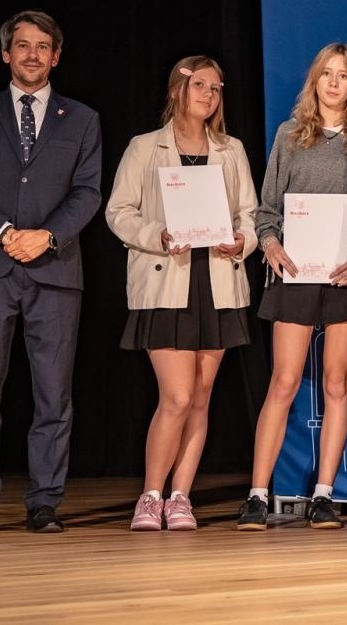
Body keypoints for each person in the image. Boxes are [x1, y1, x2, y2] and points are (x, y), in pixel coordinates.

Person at [0, 10, 102, 535]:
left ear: (56, 56)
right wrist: (4, 231)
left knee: (53, 393)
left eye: (42, 46)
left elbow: (88, 193)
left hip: (55, 270)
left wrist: (48, 235)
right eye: (22, 45)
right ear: (6, 54)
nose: (32, 54)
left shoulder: (81, 119)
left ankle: (45, 501)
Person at [106, 56, 257, 531]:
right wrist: (160, 234)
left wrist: (242, 240)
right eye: (199, 86)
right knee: (175, 395)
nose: (209, 95)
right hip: (166, 279)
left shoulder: (231, 150)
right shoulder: (145, 148)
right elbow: (119, 212)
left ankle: (182, 497)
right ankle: (151, 495)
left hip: (216, 282)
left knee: (201, 397)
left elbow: (250, 214)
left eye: (216, 88)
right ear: (177, 89)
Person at [237, 42, 347, 530]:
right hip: (294, 270)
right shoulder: (290, 135)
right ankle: (257, 493)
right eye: (327, 74)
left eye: (344, 76)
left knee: (338, 382)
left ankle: (323, 495)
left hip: (342, 276)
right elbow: (267, 208)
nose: (334, 82)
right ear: (314, 81)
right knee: (284, 381)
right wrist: (270, 245)